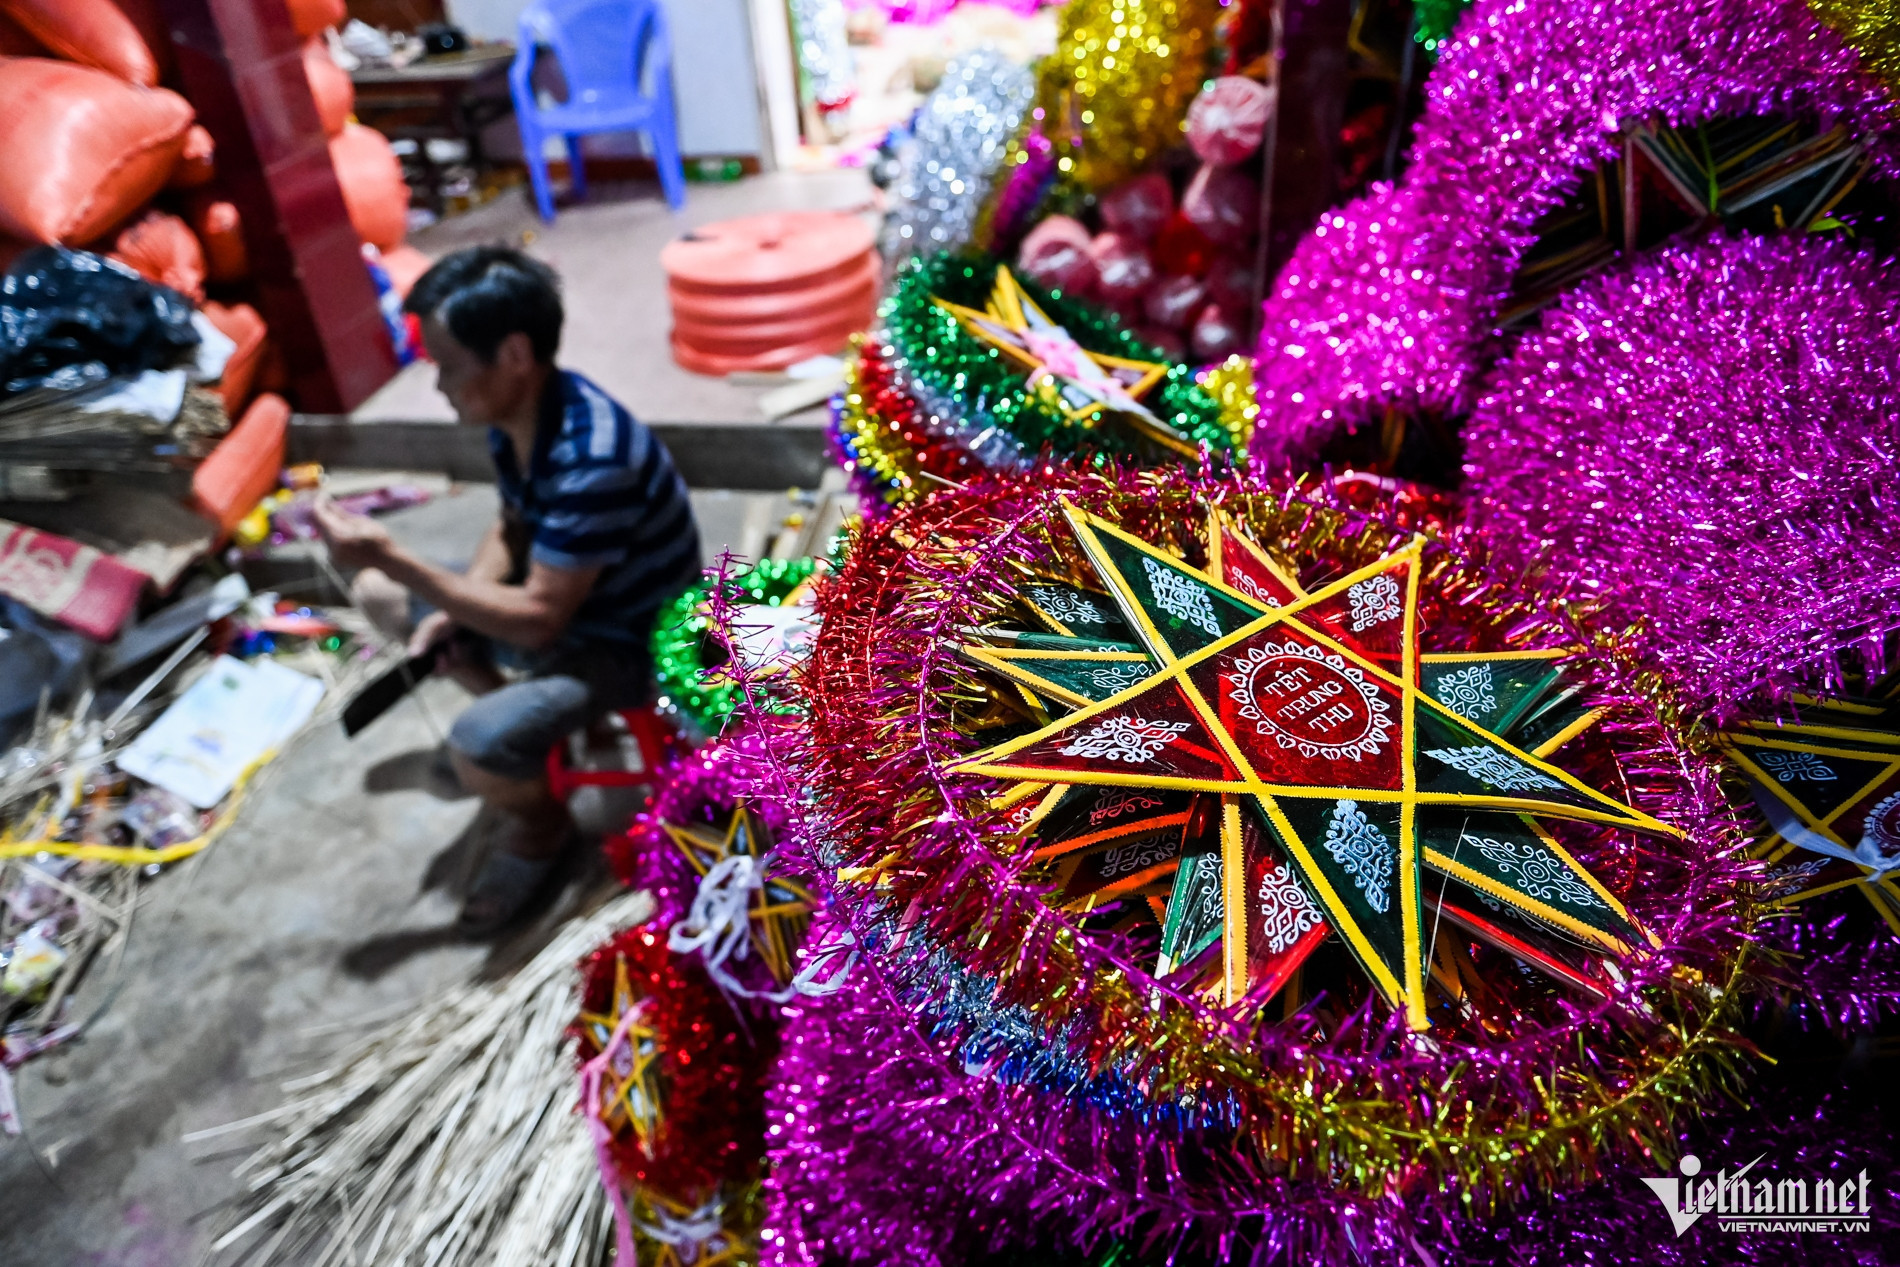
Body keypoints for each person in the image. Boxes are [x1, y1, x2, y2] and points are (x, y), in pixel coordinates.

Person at [314, 246, 700, 931]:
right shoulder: (518, 414)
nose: (439, 387)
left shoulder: (592, 456)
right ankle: (522, 736)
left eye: (449, 367)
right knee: (379, 593)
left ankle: (541, 825)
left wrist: (404, 560)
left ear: (515, 354)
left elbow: (539, 621)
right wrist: (462, 599)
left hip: (627, 640)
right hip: (564, 609)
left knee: (475, 743)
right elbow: (513, 521)